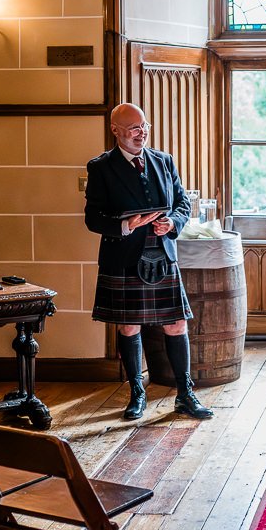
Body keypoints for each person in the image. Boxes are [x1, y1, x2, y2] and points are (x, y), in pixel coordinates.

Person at [84, 103, 213, 421]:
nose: (141, 133)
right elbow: (92, 218)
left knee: (177, 323)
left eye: (144, 126)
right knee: (129, 326)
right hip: (124, 256)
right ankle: (136, 395)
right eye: (133, 128)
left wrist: (172, 222)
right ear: (116, 130)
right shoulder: (101, 167)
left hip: (162, 252)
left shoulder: (163, 160)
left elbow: (182, 202)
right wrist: (129, 225)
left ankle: (185, 395)